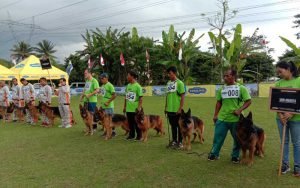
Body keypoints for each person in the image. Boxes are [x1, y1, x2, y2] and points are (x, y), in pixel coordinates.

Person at [208, 68, 251, 163]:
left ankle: (235, 156)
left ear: (233, 76)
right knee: (218, 137)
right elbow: (218, 102)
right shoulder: (221, 89)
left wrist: (239, 110)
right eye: (224, 76)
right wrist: (215, 115)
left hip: (236, 119)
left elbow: (248, 101)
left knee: (237, 139)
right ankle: (214, 154)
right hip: (222, 118)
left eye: (227, 75)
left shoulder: (241, 88)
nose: (225, 78)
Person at [275, 61, 300, 177]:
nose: (279, 74)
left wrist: (291, 113)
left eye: (280, 71)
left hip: (296, 119)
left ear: (288, 69)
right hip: (280, 119)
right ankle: (285, 165)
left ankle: (297, 166)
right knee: (284, 142)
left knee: (297, 143)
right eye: (278, 72)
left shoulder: (299, 81)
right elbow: (275, 101)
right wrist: (280, 115)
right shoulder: (279, 83)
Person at [164, 66, 185, 149]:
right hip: (169, 109)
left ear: (175, 73)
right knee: (172, 126)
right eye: (168, 74)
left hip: (177, 110)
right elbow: (167, 96)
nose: (169, 75)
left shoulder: (180, 83)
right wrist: (165, 107)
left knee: (179, 126)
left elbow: (183, 96)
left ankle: (180, 142)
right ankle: (174, 141)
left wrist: (180, 109)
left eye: (170, 73)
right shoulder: (168, 83)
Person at [123, 70, 143, 141]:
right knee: (130, 123)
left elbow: (141, 98)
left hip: (135, 109)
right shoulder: (128, 86)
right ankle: (131, 135)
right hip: (128, 108)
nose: (127, 77)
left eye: (128, 75)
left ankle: (139, 136)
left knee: (137, 123)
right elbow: (126, 97)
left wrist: (139, 107)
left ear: (132, 76)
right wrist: (124, 106)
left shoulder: (138, 86)